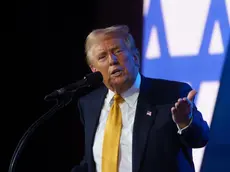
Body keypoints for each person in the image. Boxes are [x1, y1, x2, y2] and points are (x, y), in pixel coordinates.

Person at [71, 25, 209, 172]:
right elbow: (92, 161)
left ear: (135, 57)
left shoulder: (172, 94)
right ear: (94, 70)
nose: (112, 60)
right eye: (102, 57)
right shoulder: (88, 104)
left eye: (117, 51)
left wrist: (185, 122)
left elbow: (200, 139)